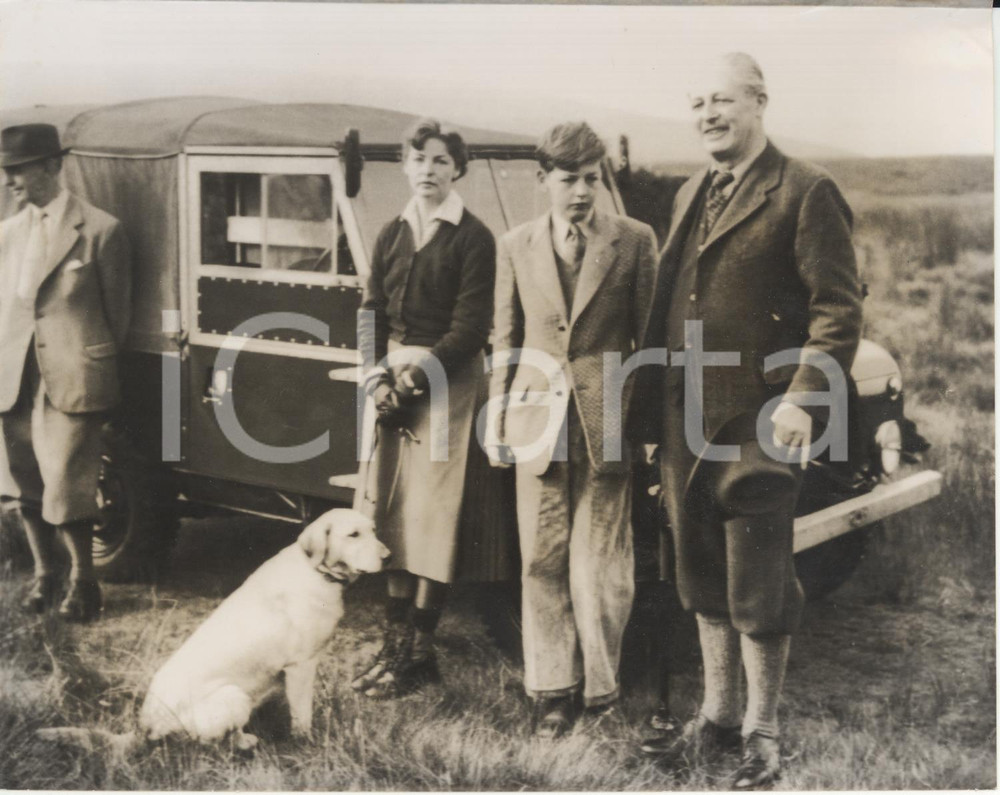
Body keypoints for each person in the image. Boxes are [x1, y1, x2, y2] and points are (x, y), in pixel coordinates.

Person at [636, 53, 862, 786]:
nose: (707, 114)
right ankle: (718, 716)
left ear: (760, 102)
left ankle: (763, 733)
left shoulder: (804, 190)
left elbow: (837, 309)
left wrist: (802, 395)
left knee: (759, 584)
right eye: (696, 101)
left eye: (723, 100)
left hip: (760, 421)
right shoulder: (690, 191)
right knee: (701, 576)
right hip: (685, 424)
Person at [488, 122, 657, 737]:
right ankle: (550, 690)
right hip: (536, 422)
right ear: (543, 181)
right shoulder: (515, 244)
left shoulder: (635, 241)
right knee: (542, 559)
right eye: (568, 179)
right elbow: (505, 340)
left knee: (601, 566)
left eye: (591, 179)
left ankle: (602, 689)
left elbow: (652, 342)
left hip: (606, 422)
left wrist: (647, 426)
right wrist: (499, 419)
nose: (581, 192)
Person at [353, 118, 496, 699]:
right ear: (405, 167)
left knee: (433, 519)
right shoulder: (391, 232)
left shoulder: (473, 237)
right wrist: (374, 378)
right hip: (391, 383)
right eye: (419, 160)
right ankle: (393, 649)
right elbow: (370, 311)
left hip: (448, 384)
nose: (429, 171)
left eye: (440, 161)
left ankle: (418, 653)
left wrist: (412, 383)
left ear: (456, 169)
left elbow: (470, 327)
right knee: (390, 512)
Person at [0, 123, 132, 622]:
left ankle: (84, 583)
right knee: (21, 480)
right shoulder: (7, 234)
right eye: (5, 171)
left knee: (68, 480)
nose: (10, 181)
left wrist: (82, 360)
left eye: (19, 169)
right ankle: (45, 575)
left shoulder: (101, 230)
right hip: (15, 374)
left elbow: (116, 317)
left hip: (73, 375)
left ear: (54, 166)